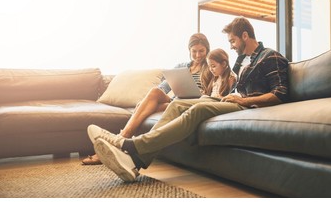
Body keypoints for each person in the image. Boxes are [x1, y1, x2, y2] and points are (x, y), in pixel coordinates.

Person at [87, 17, 289, 182]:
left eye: (233, 41)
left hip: (244, 106)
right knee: (176, 104)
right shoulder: (243, 60)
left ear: (245, 36)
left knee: (196, 110)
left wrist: (243, 101)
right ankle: (135, 161)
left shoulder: (270, 56)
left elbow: (280, 94)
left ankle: (130, 146)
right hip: (227, 101)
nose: (232, 46)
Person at [82, 32, 212, 165]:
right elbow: (163, 86)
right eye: (194, 51)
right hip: (176, 100)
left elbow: (214, 93)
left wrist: (203, 93)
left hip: (192, 103)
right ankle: (122, 141)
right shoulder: (182, 67)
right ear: (189, 50)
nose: (198, 55)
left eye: (201, 51)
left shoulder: (210, 67)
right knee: (155, 92)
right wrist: (146, 100)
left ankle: (118, 140)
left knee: (148, 109)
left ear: (207, 50)